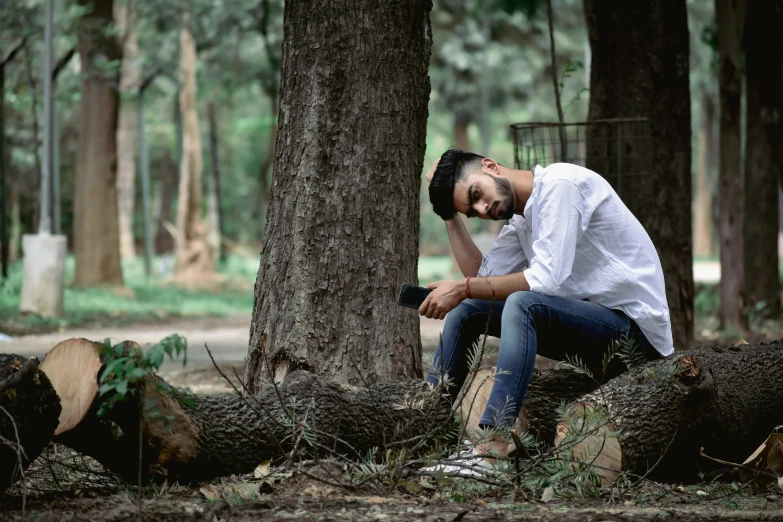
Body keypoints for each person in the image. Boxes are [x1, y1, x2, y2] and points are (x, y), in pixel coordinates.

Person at [421, 148, 672, 461]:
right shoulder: (521, 221)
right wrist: (449, 214)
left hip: (636, 337)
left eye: (476, 194)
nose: (483, 208)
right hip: (595, 334)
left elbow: (546, 278)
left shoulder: (560, 185)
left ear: (490, 166)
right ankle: (423, 435)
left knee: (523, 304)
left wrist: (464, 287)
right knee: (469, 309)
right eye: (472, 210)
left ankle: (493, 445)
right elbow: (480, 280)